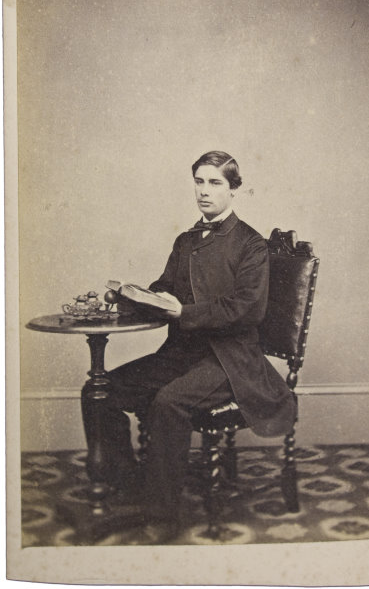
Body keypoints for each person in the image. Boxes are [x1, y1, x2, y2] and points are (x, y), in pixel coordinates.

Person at [81, 151, 296, 543]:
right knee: (99, 391)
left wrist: (184, 311)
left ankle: (161, 516)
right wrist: (136, 297)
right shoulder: (186, 241)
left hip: (229, 360)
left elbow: (247, 309)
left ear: (233, 189)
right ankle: (131, 486)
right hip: (182, 354)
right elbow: (167, 287)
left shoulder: (250, 244)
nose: (204, 191)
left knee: (168, 402)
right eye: (199, 181)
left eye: (215, 183)